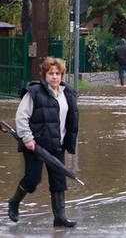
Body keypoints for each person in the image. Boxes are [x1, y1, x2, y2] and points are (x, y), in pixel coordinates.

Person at [8, 57, 79, 228]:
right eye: (50, 73)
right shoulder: (34, 92)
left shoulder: (67, 93)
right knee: (32, 180)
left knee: (59, 180)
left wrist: (69, 141)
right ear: (44, 75)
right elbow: (21, 117)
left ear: (62, 75)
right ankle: (14, 202)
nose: (54, 77)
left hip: (57, 144)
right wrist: (27, 139)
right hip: (35, 146)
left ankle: (60, 217)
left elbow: (71, 119)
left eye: (58, 73)